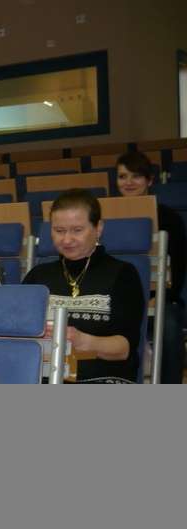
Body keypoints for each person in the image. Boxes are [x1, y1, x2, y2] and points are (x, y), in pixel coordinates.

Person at [23, 189, 145, 383]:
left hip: (102, 377)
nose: (67, 239)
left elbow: (124, 349)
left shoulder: (122, 274)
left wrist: (82, 340)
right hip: (44, 376)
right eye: (59, 230)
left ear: (98, 228)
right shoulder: (38, 275)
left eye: (77, 230)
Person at [116, 151, 185, 383]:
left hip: (159, 297)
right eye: (122, 176)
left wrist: (160, 297)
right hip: (117, 297)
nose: (128, 182)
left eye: (136, 176)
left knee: (169, 324)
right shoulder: (106, 216)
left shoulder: (169, 218)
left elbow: (179, 267)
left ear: (150, 180)